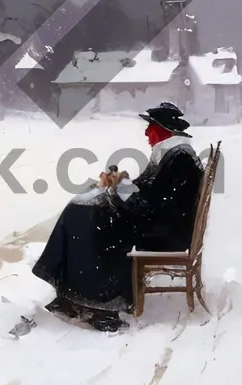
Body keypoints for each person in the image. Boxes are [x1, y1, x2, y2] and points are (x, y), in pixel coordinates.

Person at [32, 101, 204, 331]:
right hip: (163, 226)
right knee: (82, 212)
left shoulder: (178, 158)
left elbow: (149, 207)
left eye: (150, 126)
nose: (146, 132)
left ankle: (100, 302)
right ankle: (79, 292)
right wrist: (121, 183)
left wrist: (121, 187)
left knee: (88, 222)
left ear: (163, 129)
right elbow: (152, 196)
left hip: (164, 234)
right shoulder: (174, 153)